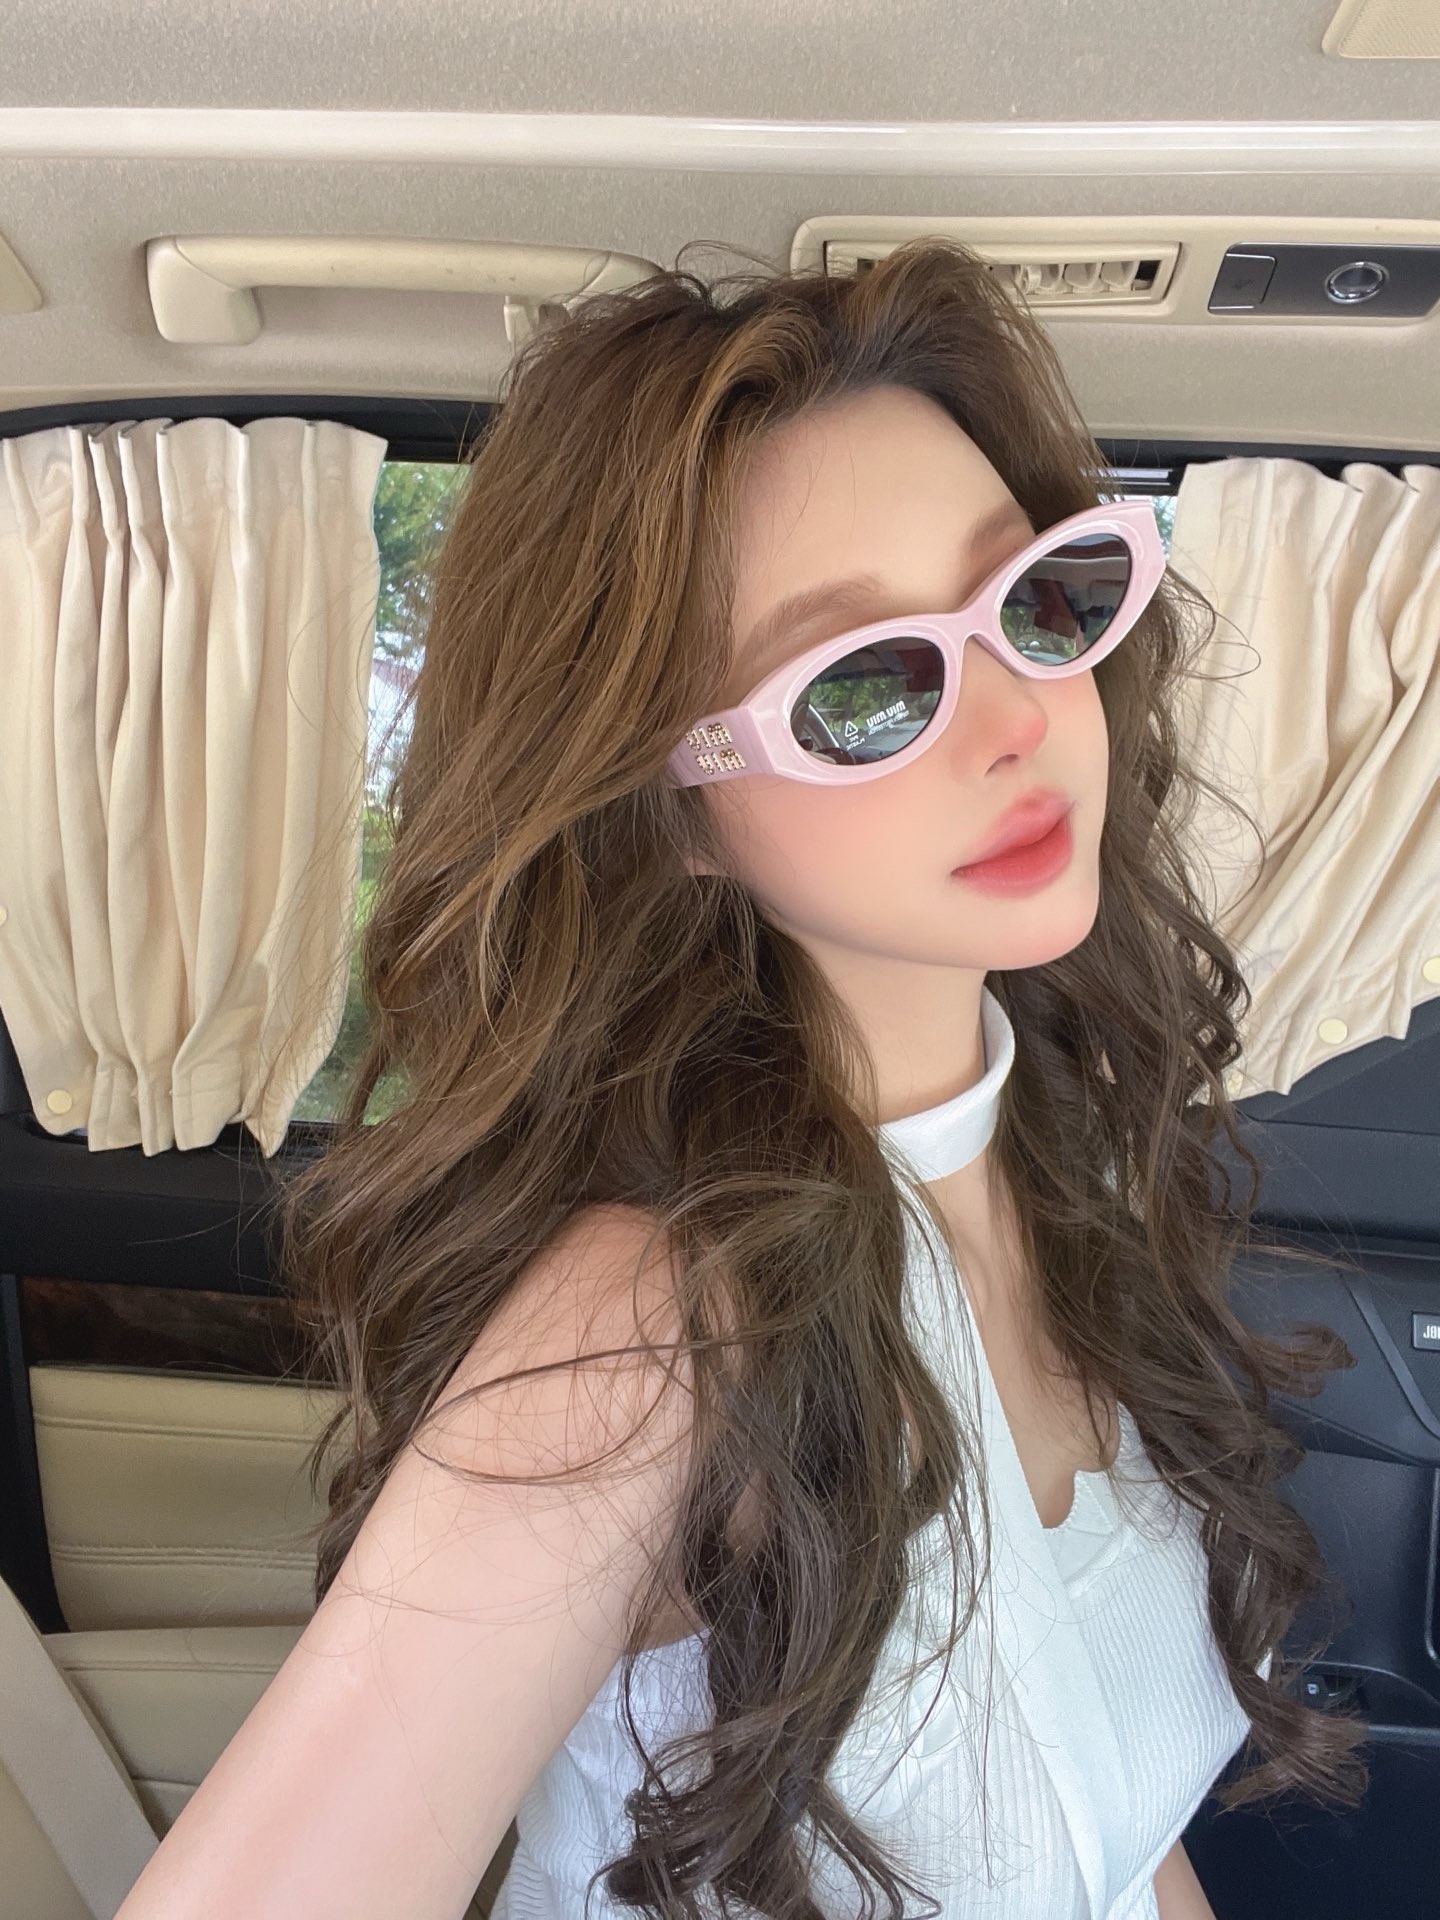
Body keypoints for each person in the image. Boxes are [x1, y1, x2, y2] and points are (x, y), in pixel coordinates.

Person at [114, 238, 1367, 1920]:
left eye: (1037, 599)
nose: (1015, 716)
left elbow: (1117, 1836)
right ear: (680, 811)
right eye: (866, 687)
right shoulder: (653, 1327)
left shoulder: (1064, 1169)